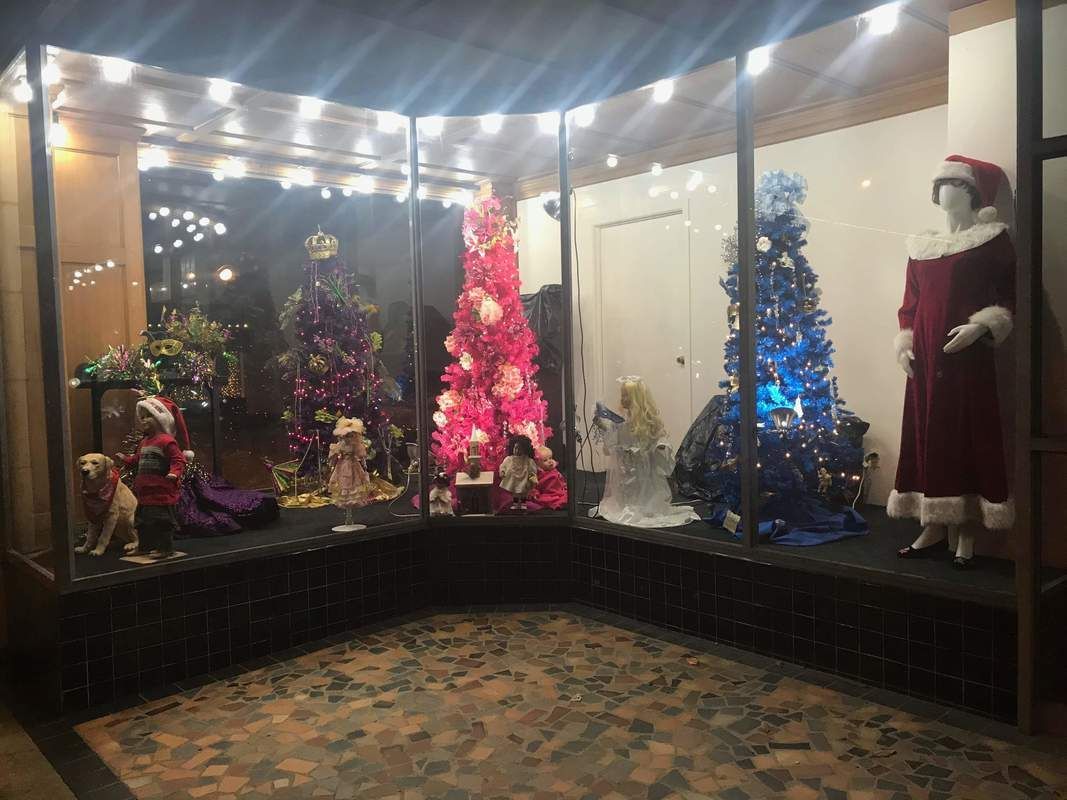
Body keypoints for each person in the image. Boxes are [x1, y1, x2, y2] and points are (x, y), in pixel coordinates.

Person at [591, 376, 699, 528]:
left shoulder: (649, 424)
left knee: (645, 493)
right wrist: (603, 427)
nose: (623, 398)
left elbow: (659, 438)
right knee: (629, 491)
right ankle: (630, 504)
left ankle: (644, 505)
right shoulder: (622, 424)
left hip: (645, 469)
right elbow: (612, 444)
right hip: (628, 470)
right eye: (622, 395)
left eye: (626, 395)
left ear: (636, 398)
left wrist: (660, 446)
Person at [116, 396, 188, 559]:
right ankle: (145, 546)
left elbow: (178, 459)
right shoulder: (145, 442)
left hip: (161, 492)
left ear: (160, 418)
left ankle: (165, 548)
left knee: (162, 521)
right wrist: (126, 459)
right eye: (142, 417)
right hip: (144, 492)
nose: (144, 420)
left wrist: (174, 473)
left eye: (148, 416)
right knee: (142, 522)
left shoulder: (167, 441)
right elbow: (137, 459)